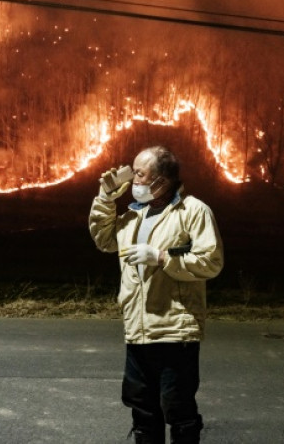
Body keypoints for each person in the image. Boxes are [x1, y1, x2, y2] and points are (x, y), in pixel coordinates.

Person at [89, 145, 224, 444]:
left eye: (140, 174)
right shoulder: (134, 214)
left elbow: (211, 262)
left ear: (162, 180)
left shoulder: (193, 211)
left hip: (175, 330)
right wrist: (105, 197)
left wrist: (163, 258)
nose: (133, 180)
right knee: (142, 410)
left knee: (178, 410)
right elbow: (104, 239)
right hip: (137, 329)